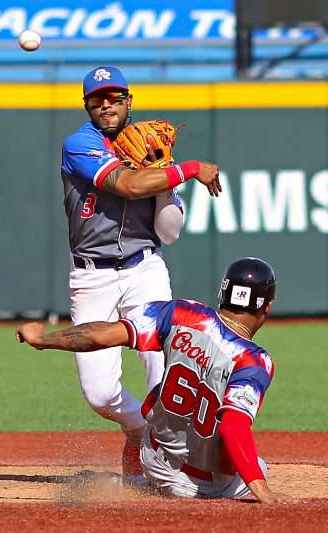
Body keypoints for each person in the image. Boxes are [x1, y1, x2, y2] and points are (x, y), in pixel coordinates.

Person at [59, 64, 223, 482]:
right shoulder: (80, 144)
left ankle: (171, 459)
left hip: (143, 269)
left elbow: (169, 234)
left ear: (129, 101)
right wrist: (189, 168)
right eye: (97, 99)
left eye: (115, 97)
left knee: (163, 368)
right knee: (99, 393)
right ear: (87, 106)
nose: (106, 105)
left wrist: (165, 179)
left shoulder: (154, 154)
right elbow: (127, 186)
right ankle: (138, 430)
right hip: (92, 276)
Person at [18, 257, 295, 503]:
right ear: (267, 307)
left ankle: (133, 484)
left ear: (222, 294)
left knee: (158, 424)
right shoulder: (255, 361)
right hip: (203, 485)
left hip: (154, 458)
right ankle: (141, 486)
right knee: (258, 466)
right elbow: (233, 426)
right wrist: (260, 489)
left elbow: (100, 336)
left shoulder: (181, 313)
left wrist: (44, 340)